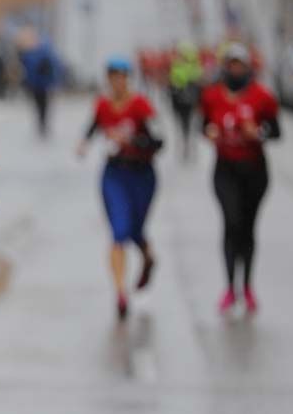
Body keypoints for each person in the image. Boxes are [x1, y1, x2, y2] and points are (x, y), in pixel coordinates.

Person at [77, 57, 163, 320]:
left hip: (141, 174)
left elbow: (159, 141)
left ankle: (149, 258)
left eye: (121, 76)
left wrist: (132, 139)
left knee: (135, 229)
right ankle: (120, 293)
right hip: (114, 174)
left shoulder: (140, 105)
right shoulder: (103, 104)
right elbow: (94, 125)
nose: (116, 82)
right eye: (112, 77)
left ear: (128, 79)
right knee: (118, 230)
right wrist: (84, 143)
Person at [199, 43, 281, 314]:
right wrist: (209, 133)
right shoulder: (212, 96)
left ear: (247, 67)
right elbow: (204, 125)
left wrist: (257, 132)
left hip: (254, 170)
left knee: (247, 227)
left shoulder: (262, 96)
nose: (235, 69)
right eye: (231, 64)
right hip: (225, 170)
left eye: (239, 65)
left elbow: (276, 131)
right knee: (231, 222)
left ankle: (247, 286)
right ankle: (229, 288)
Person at [169, 41, 204, 161]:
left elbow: (199, 87)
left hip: (188, 103)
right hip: (184, 103)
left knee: (187, 126)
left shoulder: (188, 67)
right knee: (186, 125)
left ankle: (189, 147)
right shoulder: (187, 67)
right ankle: (187, 146)